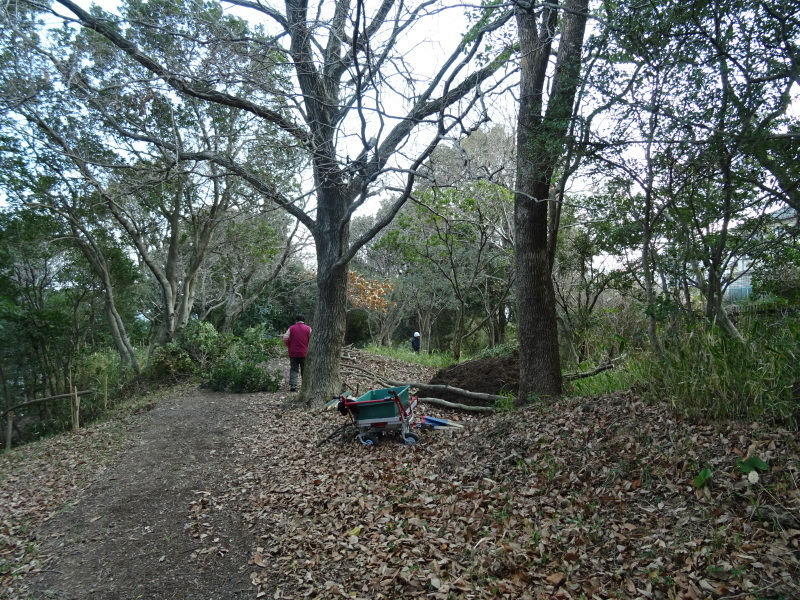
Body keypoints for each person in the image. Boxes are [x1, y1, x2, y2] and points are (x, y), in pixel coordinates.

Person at [282, 315, 312, 392]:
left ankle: (293, 385)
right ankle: (305, 385)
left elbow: (285, 338)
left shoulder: (291, 328)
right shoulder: (308, 329)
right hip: (304, 352)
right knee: (304, 369)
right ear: (304, 321)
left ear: (296, 321)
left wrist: (288, 345)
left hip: (293, 352)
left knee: (294, 369)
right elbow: (312, 339)